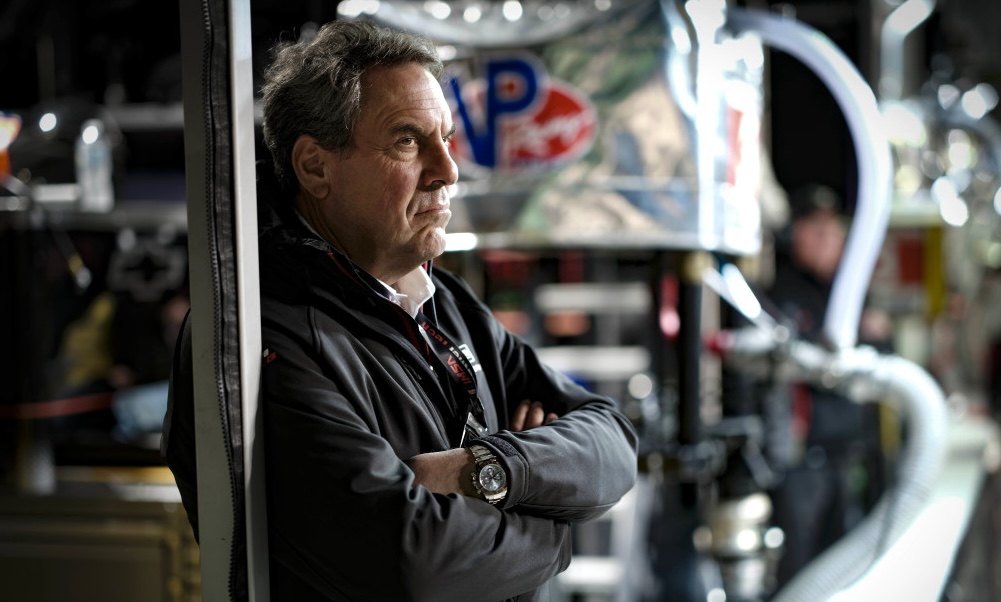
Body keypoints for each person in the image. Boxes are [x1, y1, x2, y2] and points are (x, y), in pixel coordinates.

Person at [161, 19, 639, 602]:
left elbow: (613, 439)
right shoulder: (263, 335)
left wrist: (487, 469)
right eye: (408, 141)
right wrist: (557, 534)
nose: (448, 170)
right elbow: (413, 562)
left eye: (446, 138)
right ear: (315, 167)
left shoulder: (447, 303)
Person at [765, 184, 891, 588]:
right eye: (815, 229)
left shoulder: (850, 292)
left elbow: (883, 357)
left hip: (849, 457)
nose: (826, 238)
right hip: (803, 464)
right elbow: (802, 360)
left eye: (832, 229)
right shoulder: (781, 294)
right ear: (795, 235)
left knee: (849, 568)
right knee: (801, 575)